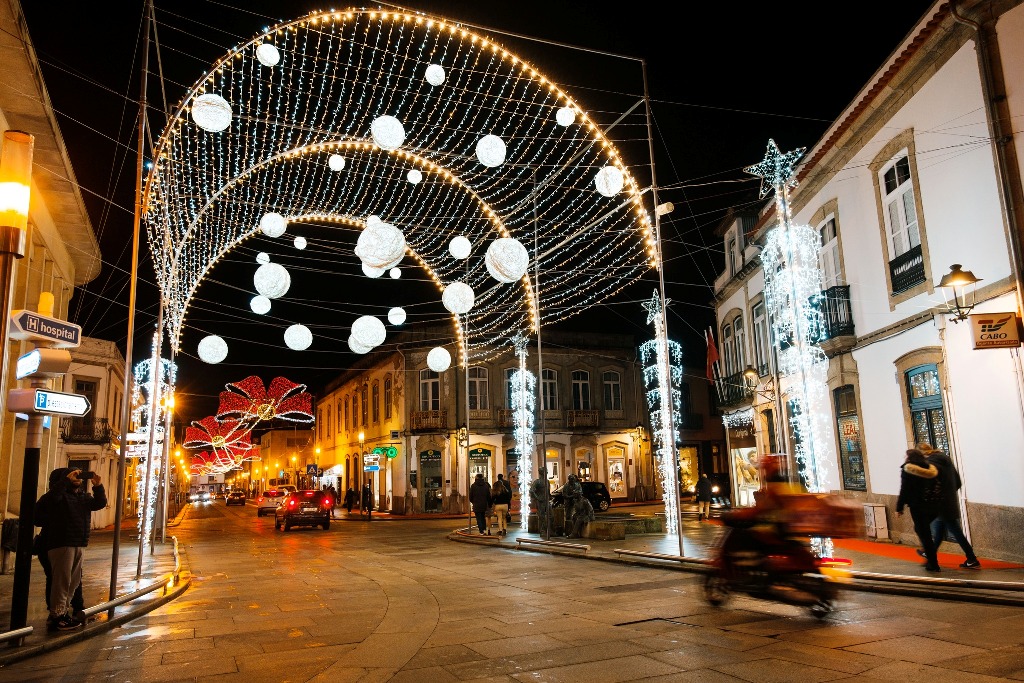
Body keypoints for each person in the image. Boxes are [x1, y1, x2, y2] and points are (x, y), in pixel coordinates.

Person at [34, 467, 107, 631]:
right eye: (75, 475)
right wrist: (65, 481)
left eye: (80, 475)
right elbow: (48, 502)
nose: (79, 478)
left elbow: (100, 503)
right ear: (64, 478)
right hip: (61, 543)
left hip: (79, 543)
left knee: (73, 582)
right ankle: (57, 615)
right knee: (61, 581)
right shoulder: (58, 497)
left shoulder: (82, 497)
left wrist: (98, 486)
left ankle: (63, 612)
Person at [915, 443, 980, 569]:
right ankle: (930, 555)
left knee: (954, 532)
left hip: (940, 504)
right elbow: (958, 482)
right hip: (948, 502)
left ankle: (971, 557)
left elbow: (931, 484)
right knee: (939, 531)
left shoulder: (931, 464)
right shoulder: (945, 459)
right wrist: (949, 494)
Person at [33, 469, 85, 624]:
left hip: (72, 542)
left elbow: (97, 504)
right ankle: (57, 613)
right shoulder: (52, 498)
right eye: (71, 477)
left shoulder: (75, 497)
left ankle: (70, 609)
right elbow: (38, 519)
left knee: (73, 579)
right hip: (54, 543)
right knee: (58, 580)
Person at [896, 448, 941, 571]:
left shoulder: (908, 469)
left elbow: (904, 489)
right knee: (923, 532)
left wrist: (899, 507)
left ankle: (933, 563)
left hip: (918, 506)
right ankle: (931, 560)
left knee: (924, 534)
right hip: (933, 505)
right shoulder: (930, 469)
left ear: (909, 458)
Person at [530, 467, 551, 539]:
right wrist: (538, 498)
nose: (547, 473)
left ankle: (550, 530)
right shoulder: (537, 482)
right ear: (542, 473)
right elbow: (532, 490)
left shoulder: (547, 481)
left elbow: (548, 492)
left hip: (547, 500)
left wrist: (550, 497)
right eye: (546, 471)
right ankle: (542, 530)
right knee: (542, 516)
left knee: (551, 515)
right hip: (541, 501)